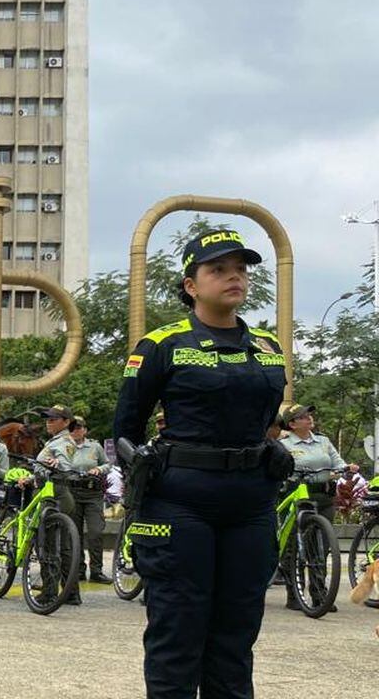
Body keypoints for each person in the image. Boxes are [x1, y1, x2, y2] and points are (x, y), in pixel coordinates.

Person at [113, 229, 289, 698]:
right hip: (179, 504)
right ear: (191, 285)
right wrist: (139, 476)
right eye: (218, 270)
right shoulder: (160, 344)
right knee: (178, 631)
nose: (234, 277)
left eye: (241, 270)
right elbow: (125, 431)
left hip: (250, 505)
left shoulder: (268, 349)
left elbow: (266, 422)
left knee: (237, 635)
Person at [278, 403, 355, 612]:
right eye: (303, 416)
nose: (309, 418)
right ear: (292, 424)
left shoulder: (323, 441)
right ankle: (294, 594)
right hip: (297, 495)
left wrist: (346, 468)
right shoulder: (284, 445)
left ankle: (320, 594)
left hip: (323, 496)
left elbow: (338, 462)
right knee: (294, 546)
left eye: (309, 414)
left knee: (321, 548)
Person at [36, 405, 80, 604]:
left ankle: (49, 592)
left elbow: (65, 465)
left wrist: (56, 464)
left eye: (53, 419)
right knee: (65, 546)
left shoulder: (62, 441)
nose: (48, 421)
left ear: (66, 422)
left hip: (55, 494)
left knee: (49, 544)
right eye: (47, 418)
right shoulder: (57, 440)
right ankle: (71, 592)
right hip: (59, 492)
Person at [66, 417, 112, 584]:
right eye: (72, 428)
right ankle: (77, 569)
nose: (75, 431)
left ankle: (96, 571)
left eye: (79, 428)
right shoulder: (64, 446)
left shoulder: (95, 446)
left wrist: (98, 469)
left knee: (95, 532)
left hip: (92, 493)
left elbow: (108, 464)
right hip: (72, 492)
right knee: (74, 533)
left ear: (85, 430)